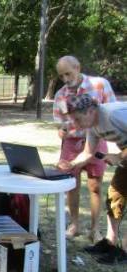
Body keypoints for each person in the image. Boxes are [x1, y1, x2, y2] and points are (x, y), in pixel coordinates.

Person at [53, 55, 116, 242]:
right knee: (71, 185)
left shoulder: (100, 85)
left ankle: (95, 230)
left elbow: (112, 110)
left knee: (95, 185)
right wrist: (62, 131)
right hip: (72, 143)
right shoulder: (61, 95)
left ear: (78, 67)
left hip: (96, 140)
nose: (65, 79)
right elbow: (60, 122)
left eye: (68, 73)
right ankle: (74, 224)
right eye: (61, 76)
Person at [62, 94, 127, 265]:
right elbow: (88, 153)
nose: (75, 124)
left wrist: (119, 156)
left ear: (91, 111)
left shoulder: (113, 115)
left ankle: (124, 252)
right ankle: (110, 243)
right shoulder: (92, 125)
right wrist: (71, 164)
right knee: (115, 196)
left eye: (77, 119)